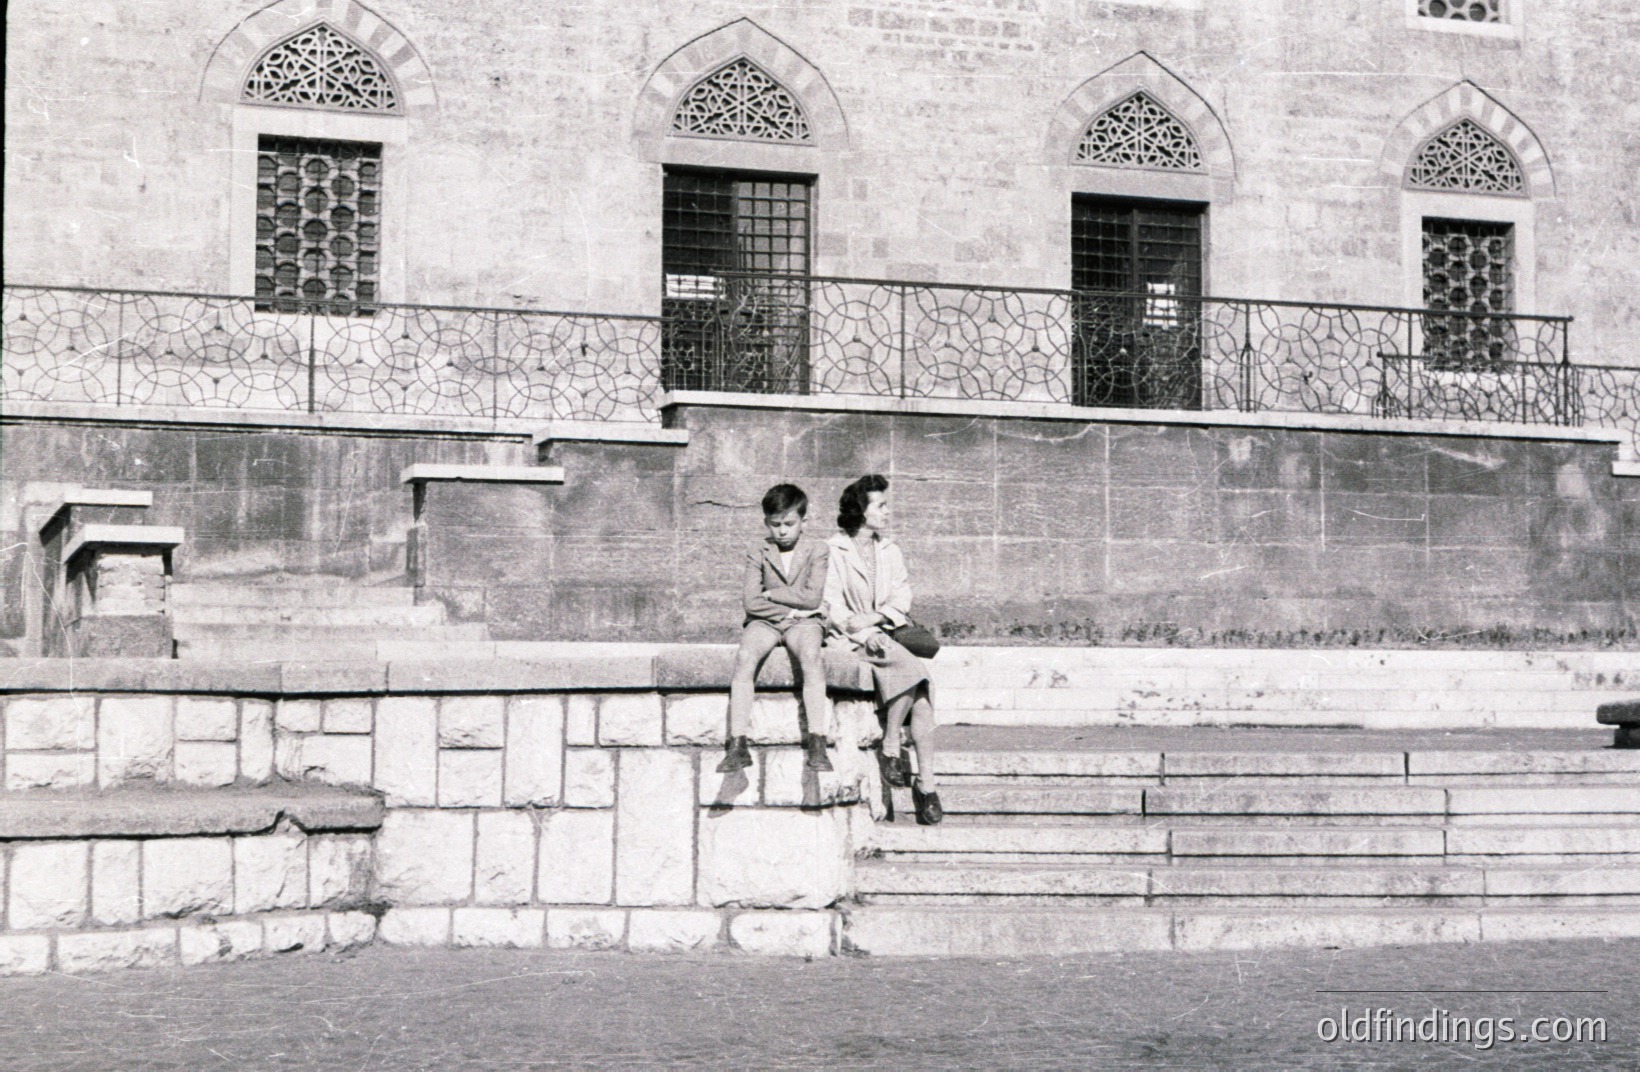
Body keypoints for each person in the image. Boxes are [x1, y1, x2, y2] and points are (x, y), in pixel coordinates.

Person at [822, 474, 943, 825]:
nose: (887, 511)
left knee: (920, 697)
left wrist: (876, 619)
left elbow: (902, 596)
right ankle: (913, 772)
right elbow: (830, 605)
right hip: (851, 643)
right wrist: (864, 634)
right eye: (881, 505)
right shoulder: (833, 550)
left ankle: (921, 776)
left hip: (886, 636)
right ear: (861, 510)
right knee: (918, 676)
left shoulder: (890, 550)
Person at [719, 483, 835, 774]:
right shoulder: (758, 550)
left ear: (804, 521)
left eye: (789, 524)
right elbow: (750, 602)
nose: (782, 531)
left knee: (810, 655)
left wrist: (773, 595)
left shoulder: (817, 550)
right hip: (767, 621)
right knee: (745, 657)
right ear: (766, 522)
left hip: (805, 622)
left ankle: (817, 740)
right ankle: (737, 743)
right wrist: (791, 608)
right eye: (775, 525)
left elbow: (813, 597)